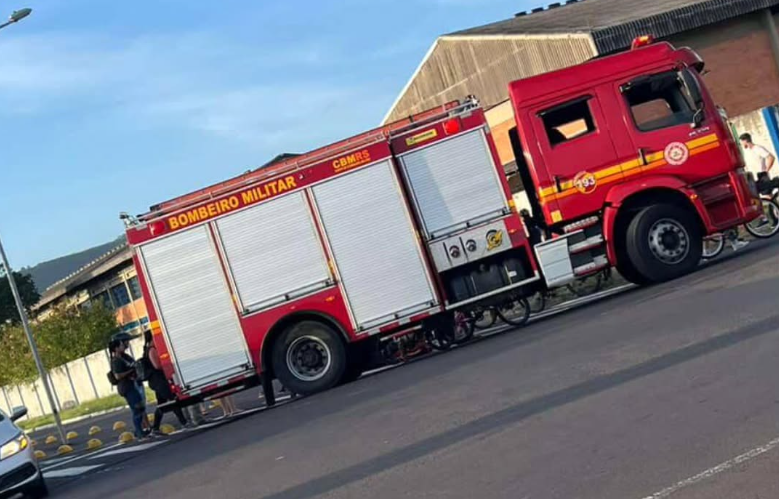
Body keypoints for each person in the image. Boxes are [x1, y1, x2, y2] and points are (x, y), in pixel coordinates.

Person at [143, 331, 191, 435]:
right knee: (172, 401)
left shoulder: (149, 350)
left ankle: (155, 428)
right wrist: (165, 363)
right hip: (159, 381)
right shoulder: (151, 350)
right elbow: (157, 366)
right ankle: (184, 422)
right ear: (152, 338)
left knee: (162, 405)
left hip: (157, 381)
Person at [109, 332, 149, 440]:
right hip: (127, 387)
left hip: (133, 384)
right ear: (117, 347)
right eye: (124, 343)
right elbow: (118, 376)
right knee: (137, 409)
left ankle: (140, 430)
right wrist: (131, 370)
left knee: (141, 407)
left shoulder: (125, 357)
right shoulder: (116, 360)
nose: (126, 344)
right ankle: (139, 432)